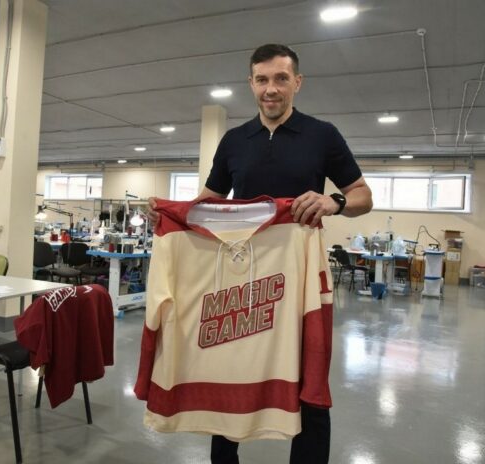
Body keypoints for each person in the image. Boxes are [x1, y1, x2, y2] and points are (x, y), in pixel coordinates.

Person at [147, 44, 373, 463]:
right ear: (251, 84)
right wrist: (169, 215)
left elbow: (363, 196)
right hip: (242, 276)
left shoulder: (322, 135)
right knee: (231, 363)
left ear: (297, 83)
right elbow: (207, 203)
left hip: (300, 278)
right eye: (263, 79)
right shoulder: (234, 141)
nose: (272, 89)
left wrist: (333, 202)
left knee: (308, 374)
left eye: (281, 79)